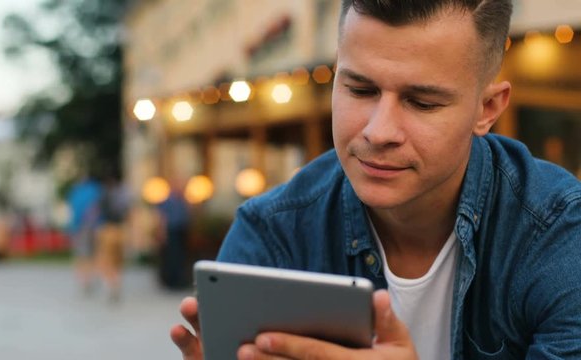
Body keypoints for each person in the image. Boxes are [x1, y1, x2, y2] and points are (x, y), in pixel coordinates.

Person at [171, 0, 581, 359]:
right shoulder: (274, 235)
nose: (379, 131)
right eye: (360, 90)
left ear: (486, 109)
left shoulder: (557, 233)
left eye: (421, 102)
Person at [95, 174, 131, 303]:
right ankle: (117, 283)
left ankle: (110, 284)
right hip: (120, 229)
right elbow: (127, 212)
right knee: (118, 260)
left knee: (107, 260)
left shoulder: (103, 195)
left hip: (107, 229)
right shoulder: (123, 194)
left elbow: (98, 213)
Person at [66, 175, 102, 295]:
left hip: (81, 227)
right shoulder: (96, 190)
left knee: (82, 255)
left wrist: (73, 228)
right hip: (95, 227)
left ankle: (85, 280)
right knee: (94, 253)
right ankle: (93, 276)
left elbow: (74, 211)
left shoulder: (76, 191)